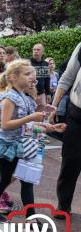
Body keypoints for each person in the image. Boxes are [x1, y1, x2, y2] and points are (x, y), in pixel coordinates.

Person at [0, 59, 65, 227]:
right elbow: (5, 125)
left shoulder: (24, 97)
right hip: (7, 147)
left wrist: (50, 126)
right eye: (27, 74)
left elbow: (26, 125)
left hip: (22, 145)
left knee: (26, 181)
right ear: (12, 77)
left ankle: (31, 219)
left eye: (32, 75)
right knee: (5, 180)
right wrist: (31, 117)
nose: (31, 78)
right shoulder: (8, 98)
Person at [51, 42, 81, 218]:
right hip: (77, 114)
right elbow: (67, 77)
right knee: (70, 162)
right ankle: (63, 205)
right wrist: (54, 106)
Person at [31, 43, 50, 111]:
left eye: (38, 50)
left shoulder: (45, 64)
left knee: (42, 114)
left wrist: (48, 93)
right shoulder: (28, 63)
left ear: (42, 52)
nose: (36, 51)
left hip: (41, 94)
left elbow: (47, 79)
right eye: (34, 49)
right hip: (29, 95)